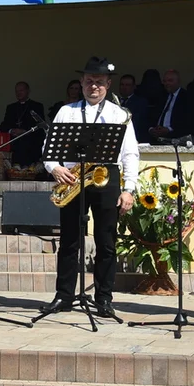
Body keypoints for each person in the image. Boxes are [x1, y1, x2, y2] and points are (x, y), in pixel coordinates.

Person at [42, 57, 139, 319]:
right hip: (72, 177)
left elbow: (130, 154)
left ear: (108, 85)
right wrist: (55, 168)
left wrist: (128, 189)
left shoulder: (120, 115)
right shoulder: (66, 111)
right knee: (69, 241)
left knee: (106, 242)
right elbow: (49, 147)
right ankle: (64, 295)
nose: (93, 86)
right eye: (88, 81)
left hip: (107, 177)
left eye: (98, 82)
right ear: (81, 83)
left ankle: (104, 298)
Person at [0, 81, 46, 167]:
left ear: (28, 91)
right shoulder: (11, 107)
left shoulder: (37, 106)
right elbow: (4, 125)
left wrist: (24, 131)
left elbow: (41, 126)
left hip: (31, 143)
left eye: (21, 90)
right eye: (16, 91)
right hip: (15, 144)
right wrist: (12, 130)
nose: (18, 93)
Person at [118, 74, 151, 142]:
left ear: (134, 87)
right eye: (122, 84)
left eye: (128, 85)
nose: (124, 87)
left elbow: (139, 123)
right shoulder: (113, 102)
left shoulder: (141, 102)